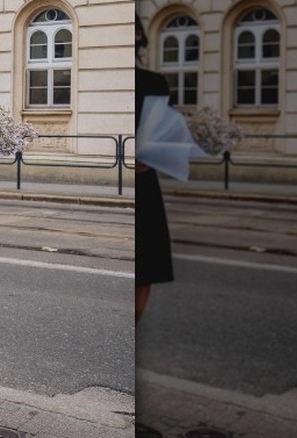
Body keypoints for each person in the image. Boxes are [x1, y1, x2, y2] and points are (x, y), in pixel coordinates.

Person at [135, 15, 173, 325]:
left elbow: (165, 136)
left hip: (143, 182)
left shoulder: (153, 82)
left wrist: (150, 157)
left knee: (145, 268)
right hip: (134, 180)